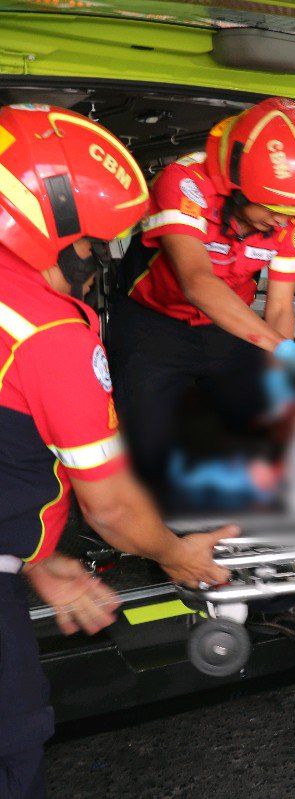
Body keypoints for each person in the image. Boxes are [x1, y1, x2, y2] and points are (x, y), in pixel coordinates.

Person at [0, 104, 232, 799]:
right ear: (60, 230)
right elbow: (111, 507)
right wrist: (175, 553)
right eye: (101, 244)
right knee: (12, 745)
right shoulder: (47, 331)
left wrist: (30, 558)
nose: (103, 261)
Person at [107, 96, 295, 645]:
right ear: (236, 183)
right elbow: (197, 280)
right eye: (273, 211)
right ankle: (172, 557)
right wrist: (276, 348)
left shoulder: (294, 212)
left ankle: (276, 585)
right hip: (152, 325)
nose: (285, 222)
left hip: (229, 328)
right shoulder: (184, 181)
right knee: (150, 445)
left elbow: (280, 310)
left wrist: (287, 375)